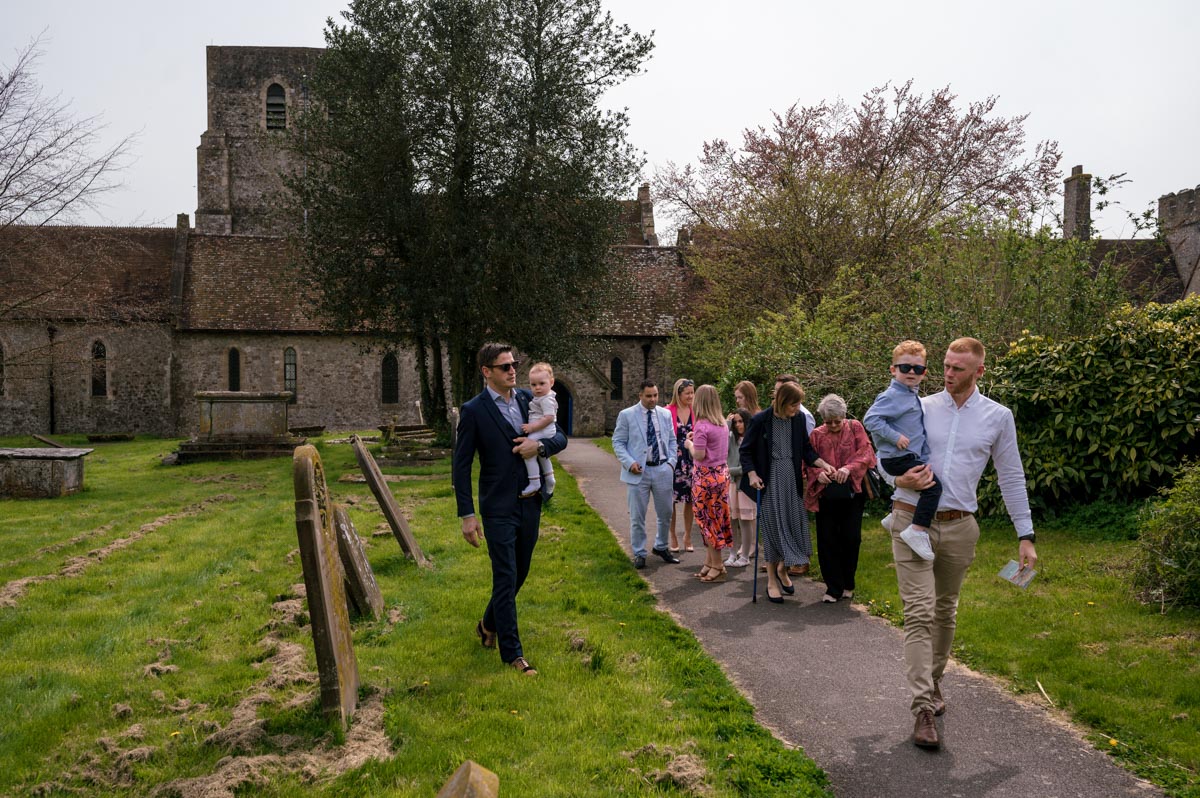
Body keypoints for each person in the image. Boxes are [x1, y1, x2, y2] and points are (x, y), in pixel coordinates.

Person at [889, 337, 1038, 750]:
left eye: (958, 368)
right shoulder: (918, 406)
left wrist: (1025, 535)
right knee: (918, 612)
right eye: (946, 365)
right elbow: (881, 455)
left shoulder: (998, 417)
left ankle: (934, 681)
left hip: (960, 526)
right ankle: (922, 707)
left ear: (979, 372)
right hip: (909, 518)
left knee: (944, 610)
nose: (947, 374)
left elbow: (1011, 476)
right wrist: (897, 479)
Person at [453, 343, 568, 677]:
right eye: (504, 366)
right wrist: (467, 515)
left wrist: (540, 445)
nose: (512, 370)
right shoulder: (473, 411)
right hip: (497, 507)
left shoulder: (528, 400)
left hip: (529, 503)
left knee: (521, 572)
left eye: (514, 364)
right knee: (505, 576)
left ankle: (487, 623)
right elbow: (460, 468)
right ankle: (513, 655)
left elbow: (560, 437)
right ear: (487, 372)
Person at [740, 381, 835, 603]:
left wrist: (823, 464)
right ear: (782, 402)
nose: (797, 409)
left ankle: (783, 568)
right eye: (794, 405)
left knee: (793, 526)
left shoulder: (798, 419)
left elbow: (805, 449)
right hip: (770, 480)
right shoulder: (761, 420)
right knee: (774, 528)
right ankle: (772, 580)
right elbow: (746, 451)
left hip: (791, 480)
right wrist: (752, 475)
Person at [864, 341, 941, 562]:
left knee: (922, 481)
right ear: (893, 369)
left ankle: (892, 517)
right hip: (897, 458)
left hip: (906, 456)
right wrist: (894, 436)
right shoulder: (893, 395)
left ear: (924, 372)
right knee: (933, 488)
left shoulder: (909, 394)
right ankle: (916, 530)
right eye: (905, 367)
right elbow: (871, 419)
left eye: (918, 369)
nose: (911, 372)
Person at [805, 394, 876, 603]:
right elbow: (808, 462)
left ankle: (848, 583)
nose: (834, 425)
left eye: (838, 421)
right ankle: (832, 587)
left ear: (844, 416)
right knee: (827, 539)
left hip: (853, 491)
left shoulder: (855, 427)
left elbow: (866, 452)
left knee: (851, 538)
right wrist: (820, 475)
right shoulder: (816, 435)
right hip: (827, 493)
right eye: (829, 422)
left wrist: (848, 468)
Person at [611, 380, 681, 569]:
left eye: (655, 395)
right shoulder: (627, 415)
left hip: (662, 469)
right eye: (649, 396)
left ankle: (661, 546)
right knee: (637, 515)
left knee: (666, 512)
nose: (652, 399)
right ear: (640, 395)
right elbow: (617, 442)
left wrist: (671, 464)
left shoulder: (665, 414)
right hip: (638, 471)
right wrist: (629, 462)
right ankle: (639, 553)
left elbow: (673, 441)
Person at [684, 385, 734, 582]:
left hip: (705, 478)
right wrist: (695, 439)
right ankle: (708, 562)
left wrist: (689, 445)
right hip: (721, 475)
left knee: (707, 522)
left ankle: (717, 565)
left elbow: (699, 454)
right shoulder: (722, 424)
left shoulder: (702, 425)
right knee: (717, 519)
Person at [518, 362, 558, 499]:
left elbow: (549, 418)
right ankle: (550, 478)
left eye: (542, 383)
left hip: (544, 430)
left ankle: (534, 482)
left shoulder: (546, 399)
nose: (538, 388)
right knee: (543, 455)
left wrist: (531, 427)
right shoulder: (542, 397)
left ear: (551, 382)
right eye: (533, 385)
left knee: (528, 453)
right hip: (544, 430)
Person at [666, 378, 697, 552]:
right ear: (678, 394)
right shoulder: (667, 411)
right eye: (688, 393)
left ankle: (687, 534)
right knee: (671, 500)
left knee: (690, 500)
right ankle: (673, 536)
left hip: (691, 459)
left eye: (692, 393)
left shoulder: (695, 411)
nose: (691, 396)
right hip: (673, 460)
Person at [724, 409, 756, 568]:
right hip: (731, 484)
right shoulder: (731, 438)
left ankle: (745, 555)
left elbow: (747, 466)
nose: (738, 425)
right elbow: (722, 445)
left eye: (740, 421)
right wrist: (727, 424)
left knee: (745, 521)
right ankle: (732, 553)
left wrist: (729, 470)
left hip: (745, 485)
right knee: (732, 520)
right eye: (735, 422)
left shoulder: (752, 439)